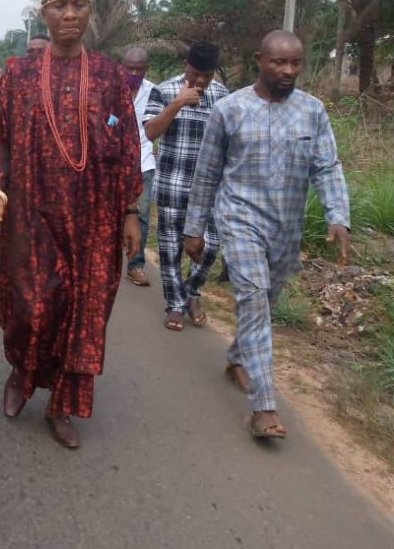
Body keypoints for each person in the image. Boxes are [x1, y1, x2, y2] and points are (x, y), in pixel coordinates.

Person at [0, 0, 142, 449]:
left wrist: (131, 210)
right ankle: (21, 375)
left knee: (83, 312)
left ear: (88, 10)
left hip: (95, 221)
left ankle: (62, 404)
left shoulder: (111, 76)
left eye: (78, 5)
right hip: (31, 216)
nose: (69, 15)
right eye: (59, 6)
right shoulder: (20, 73)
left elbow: (129, 144)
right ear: (44, 12)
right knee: (31, 309)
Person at [183, 30, 350, 439]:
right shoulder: (230, 109)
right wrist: (195, 227)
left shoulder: (313, 111)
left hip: (286, 227)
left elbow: (327, 166)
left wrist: (338, 215)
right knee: (254, 296)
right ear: (260, 59)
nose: (288, 70)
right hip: (239, 219)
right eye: (279, 62)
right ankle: (264, 407)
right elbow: (206, 172)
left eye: (295, 63)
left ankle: (239, 356)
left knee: (265, 300)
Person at [143, 42, 229, 331]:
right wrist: (178, 102)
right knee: (170, 251)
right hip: (171, 186)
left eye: (206, 75)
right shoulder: (164, 90)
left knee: (210, 246)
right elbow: (151, 131)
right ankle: (175, 305)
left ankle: (192, 292)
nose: (201, 81)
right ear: (186, 65)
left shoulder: (222, 96)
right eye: (195, 73)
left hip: (209, 191)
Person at [122, 46, 156, 287]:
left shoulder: (154, 92)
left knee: (141, 215)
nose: (134, 73)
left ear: (146, 69)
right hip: (113, 164)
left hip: (143, 161)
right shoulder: (110, 89)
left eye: (139, 69)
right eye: (129, 68)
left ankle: (136, 265)